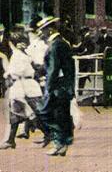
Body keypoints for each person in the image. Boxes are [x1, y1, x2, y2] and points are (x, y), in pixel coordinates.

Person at [36, 16, 75, 156]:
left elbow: (53, 68)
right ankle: (63, 143)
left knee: (44, 112)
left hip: (57, 87)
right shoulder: (62, 43)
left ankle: (60, 141)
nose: (41, 33)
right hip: (64, 85)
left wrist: (48, 87)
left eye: (43, 30)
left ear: (50, 29)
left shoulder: (55, 45)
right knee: (60, 114)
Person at [1, 29, 44, 150]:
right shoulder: (24, 54)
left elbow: (15, 71)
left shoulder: (18, 55)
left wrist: (7, 74)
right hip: (24, 87)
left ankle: (49, 134)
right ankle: (10, 140)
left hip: (24, 87)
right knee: (15, 114)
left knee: (33, 114)